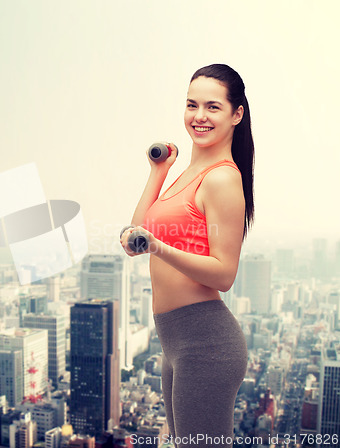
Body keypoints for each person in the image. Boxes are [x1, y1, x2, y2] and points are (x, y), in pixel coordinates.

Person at [120, 64, 253, 446]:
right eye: (192, 105)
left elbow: (224, 274)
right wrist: (158, 171)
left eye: (213, 107)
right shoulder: (187, 174)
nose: (199, 116)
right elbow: (133, 239)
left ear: (236, 115)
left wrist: (159, 247)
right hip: (175, 342)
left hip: (206, 342)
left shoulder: (223, 178)